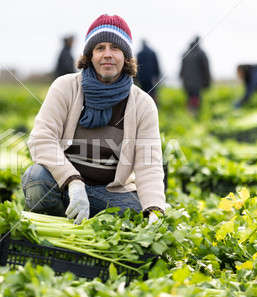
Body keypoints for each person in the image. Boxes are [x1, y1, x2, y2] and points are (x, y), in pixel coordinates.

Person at [21, 14, 168, 225]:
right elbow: (41, 140)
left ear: (126, 57)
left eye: (115, 48)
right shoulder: (65, 87)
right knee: (36, 177)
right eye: (100, 48)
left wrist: (154, 208)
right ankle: (64, 221)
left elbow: (149, 164)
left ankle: (72, 219)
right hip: (66, 187)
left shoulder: (142, 104)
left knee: (138, 212)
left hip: (109, 194)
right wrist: (73, 182)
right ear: (90, 55)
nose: (107, 54)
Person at [179, 36, 211, 115]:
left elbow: (181, 69)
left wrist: (182, 78)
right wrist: (207, 81)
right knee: (196, 98)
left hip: (187, 82)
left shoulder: (185, 53)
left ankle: (190, 114)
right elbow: (205, 68)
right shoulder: (201, 53)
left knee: (190, 98)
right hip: (198, 82)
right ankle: (194, 115)